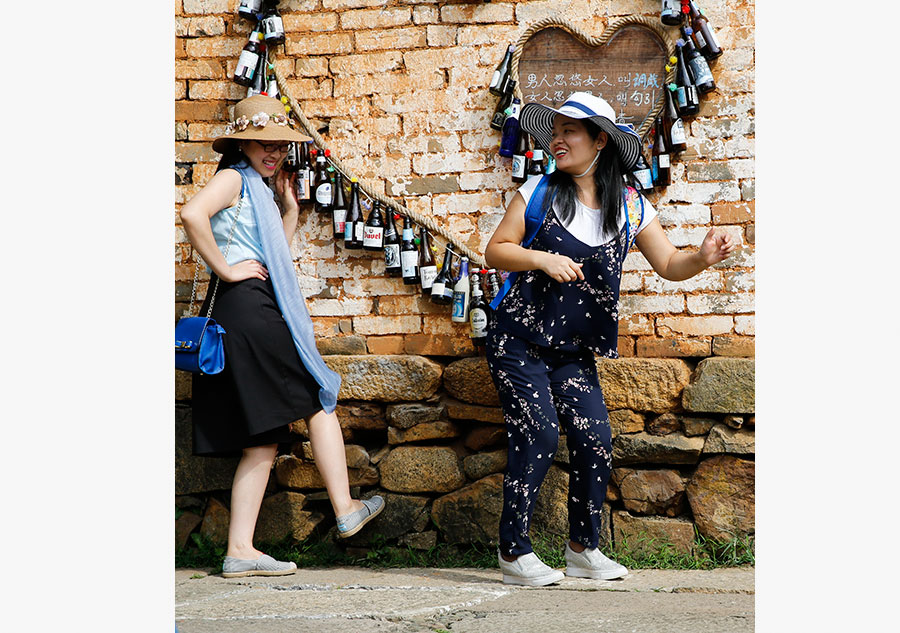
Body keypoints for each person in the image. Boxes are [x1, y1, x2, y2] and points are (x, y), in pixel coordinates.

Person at [484, 92, 736, 586]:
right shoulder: (536, 191)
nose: (556, 139)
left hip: (572, 349)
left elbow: (669, 264)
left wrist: (702, 257)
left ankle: (582, 549)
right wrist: (541, 259)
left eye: (569, 131)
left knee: (595, 438)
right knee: (538, 433)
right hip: (516, 339)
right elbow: (496, 250)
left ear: (600, 140)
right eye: (553, 130)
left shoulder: (631, 205)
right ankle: (513, 552)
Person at [180, 95, 384, 578]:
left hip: (251, 307)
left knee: (264, 436)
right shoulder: (233, 178)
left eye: (279, 144)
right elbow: (192, 214)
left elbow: (270, 258)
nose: (272, 151)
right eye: (262, 142)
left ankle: (239, 550)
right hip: (249, 309)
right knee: (315, 396)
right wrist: (226, 270)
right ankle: (345, 508)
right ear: (242, 143)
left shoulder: (259, 189)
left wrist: (288, 211)